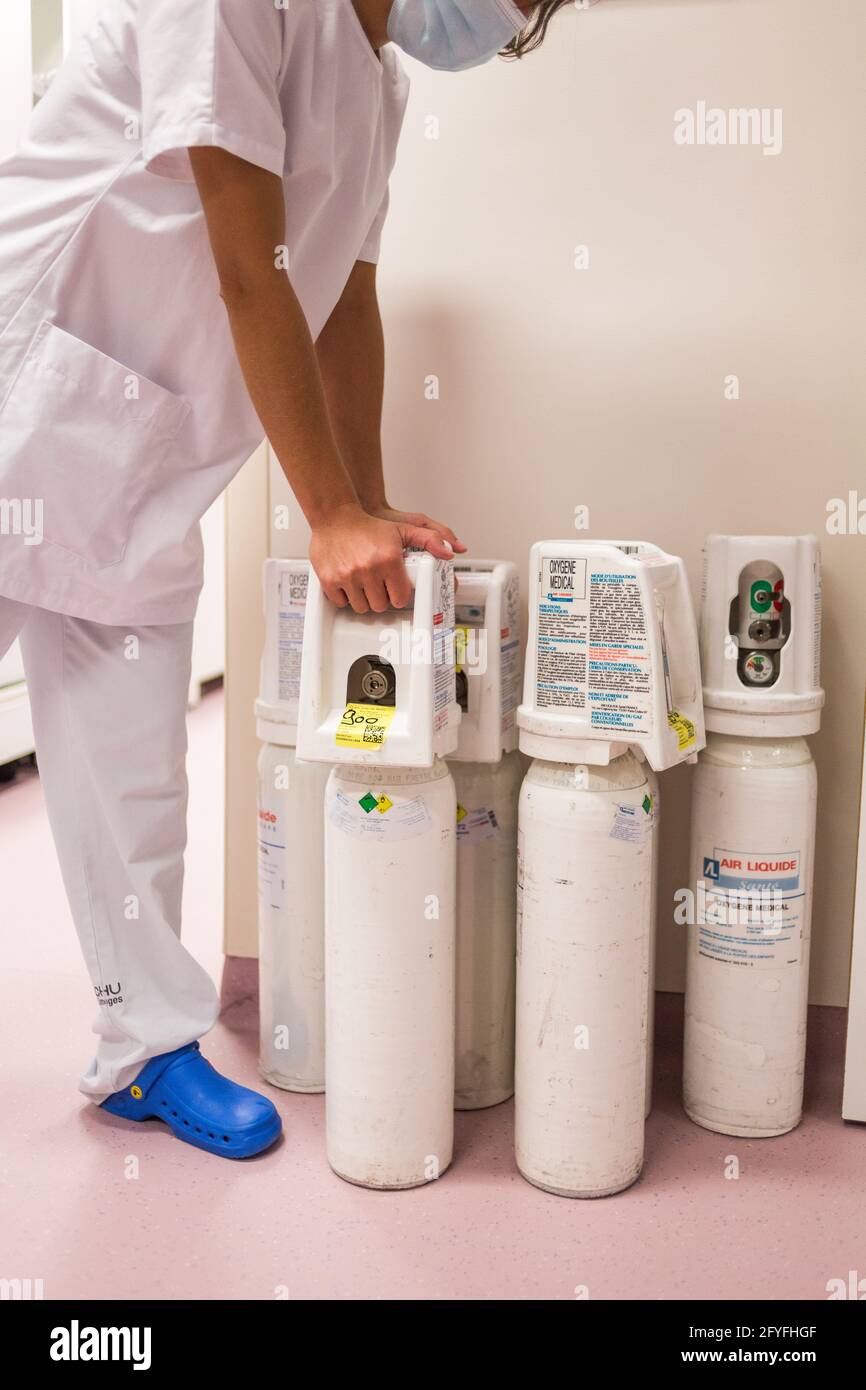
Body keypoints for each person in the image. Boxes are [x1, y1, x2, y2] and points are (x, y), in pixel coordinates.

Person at [0, 0, 570, 1159]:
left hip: (135, 451)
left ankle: (144, 1048)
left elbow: (337, 295)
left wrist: (367, 495)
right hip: (24, 387)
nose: (500, 16)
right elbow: (247, 260)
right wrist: (325, 513)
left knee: (134, 772)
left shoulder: (381, 84)